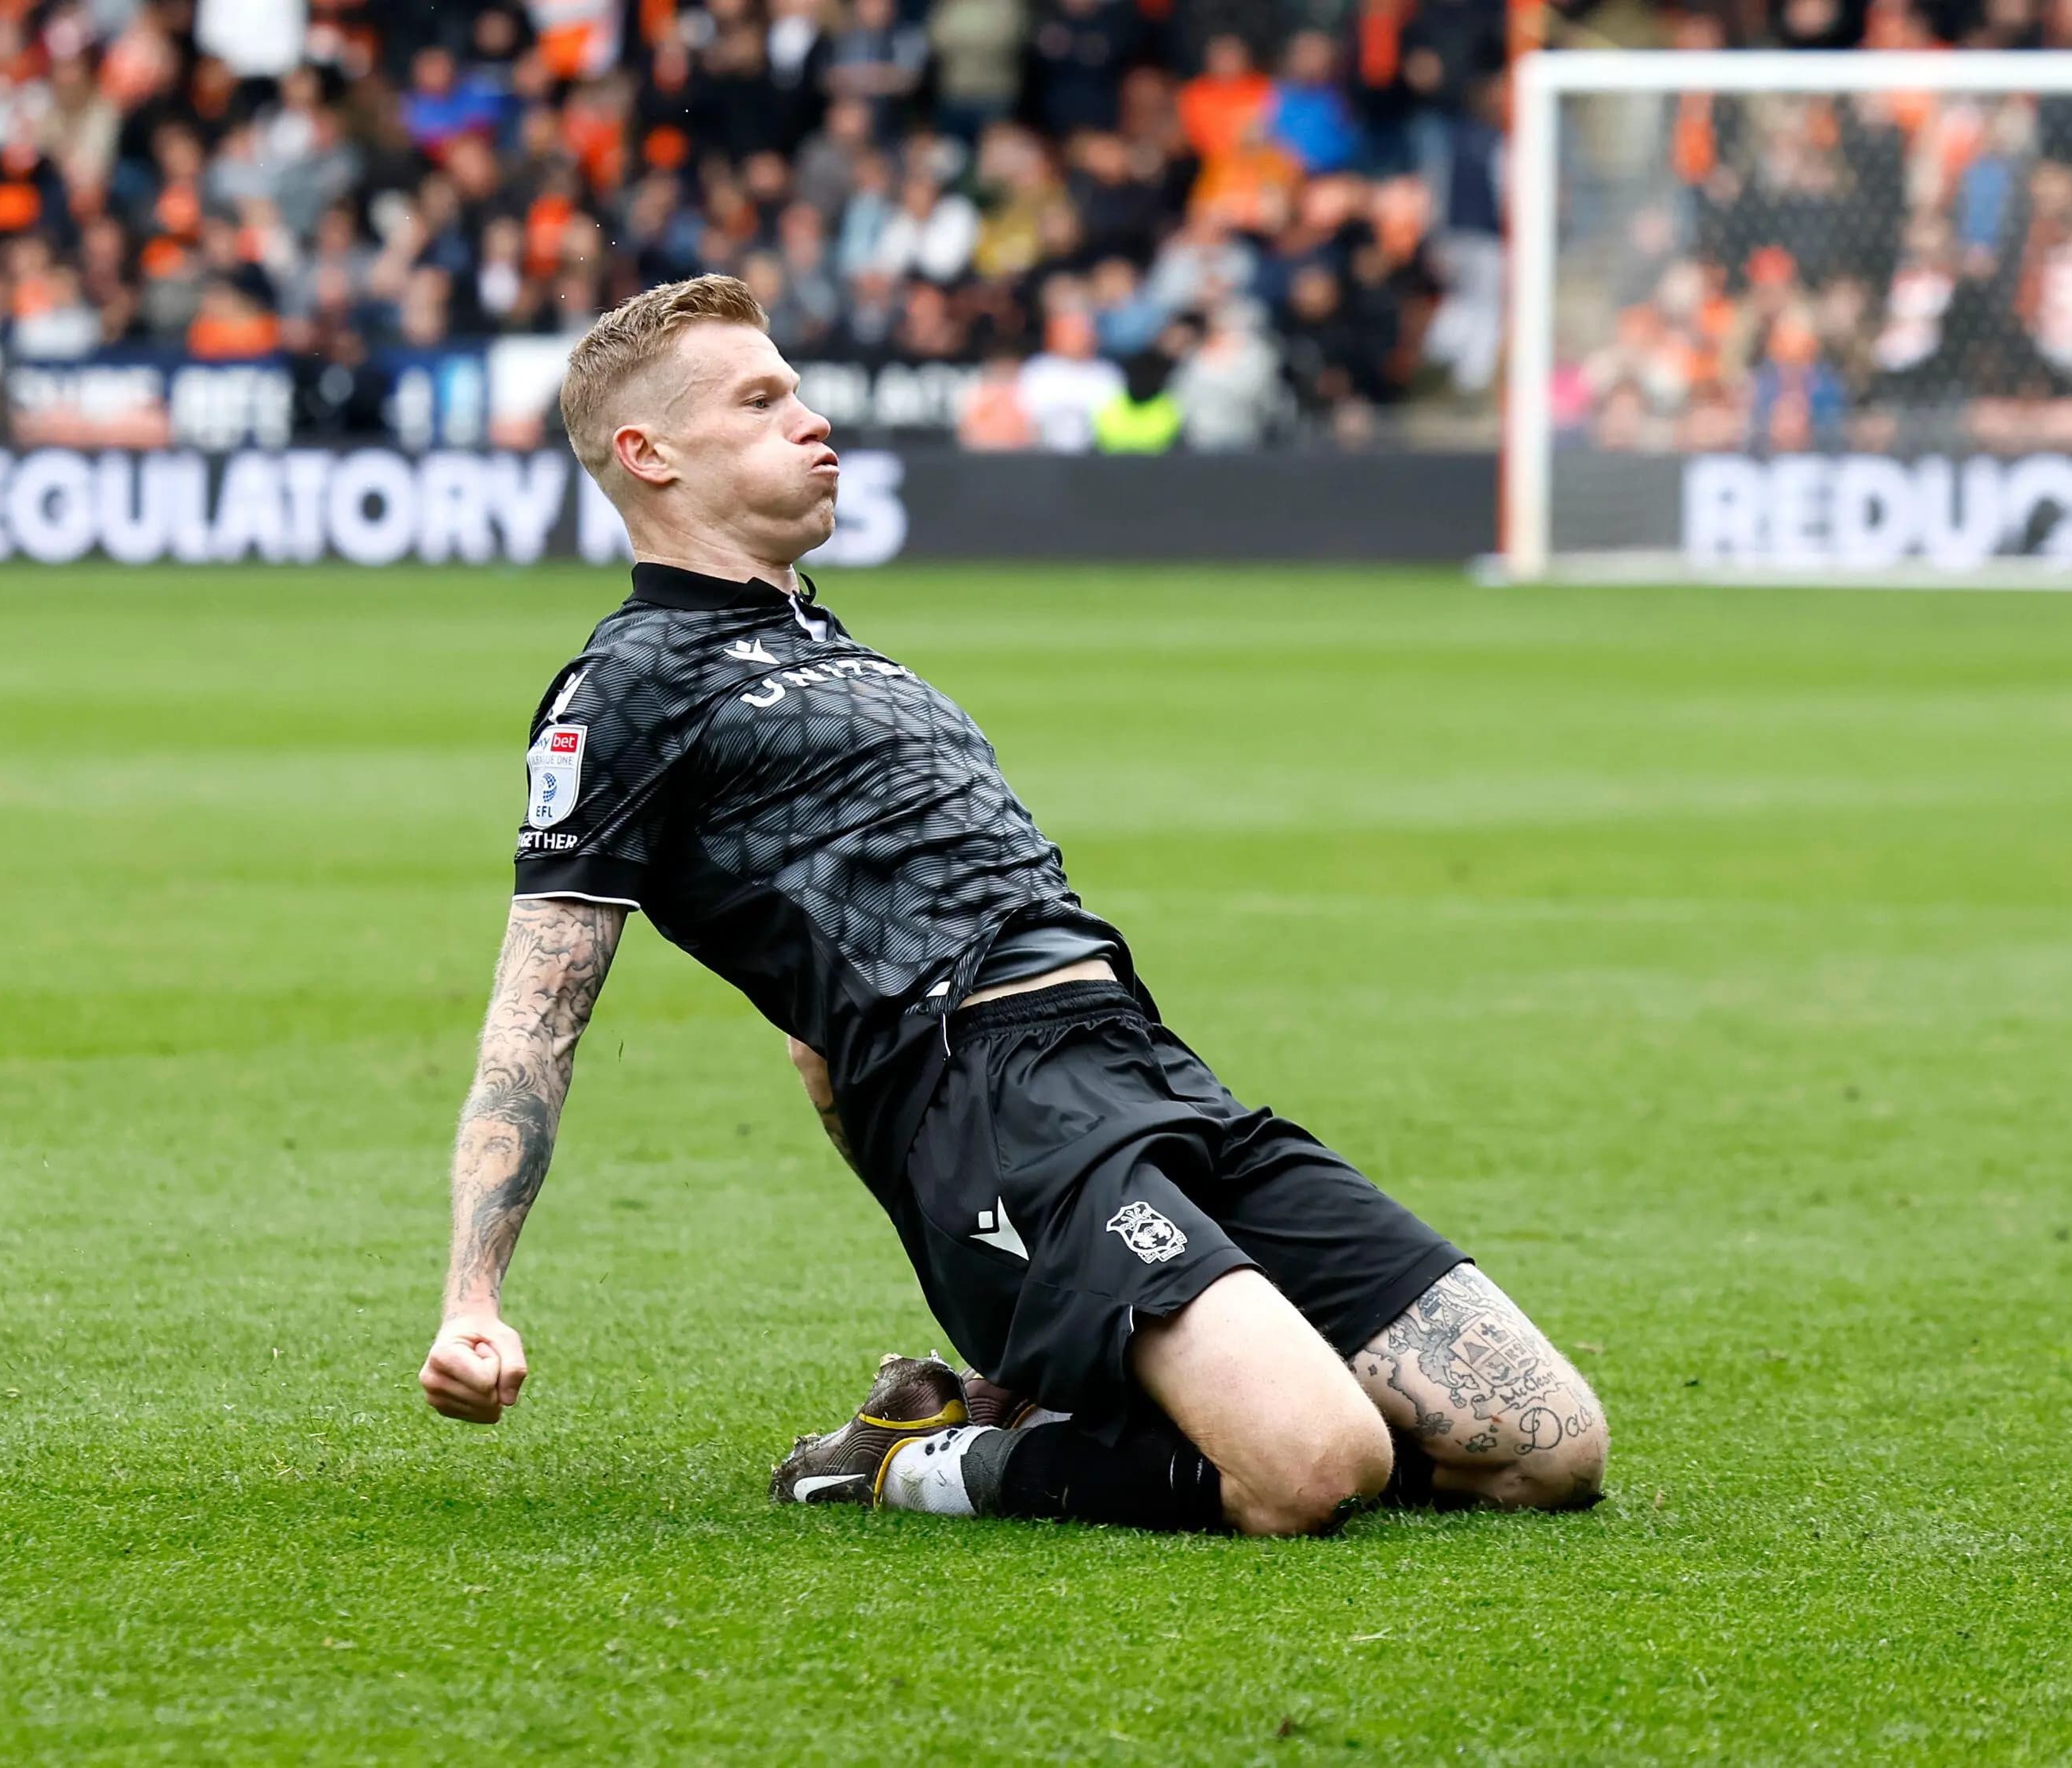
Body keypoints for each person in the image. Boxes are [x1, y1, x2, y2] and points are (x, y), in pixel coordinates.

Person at [417, 275, 1607, 1536]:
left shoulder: (841, 651)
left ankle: (1058, 1390)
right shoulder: (625, 689)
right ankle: (907, 1462)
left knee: (1546, 1448)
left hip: (1144, 1062)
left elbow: (812, 1031)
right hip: (999, 1106)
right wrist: (471, 1299)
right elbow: (533, 1019)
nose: (813, 420)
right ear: (645, 455)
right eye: (762, 399)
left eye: (802, 391)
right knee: (1314, 1469)